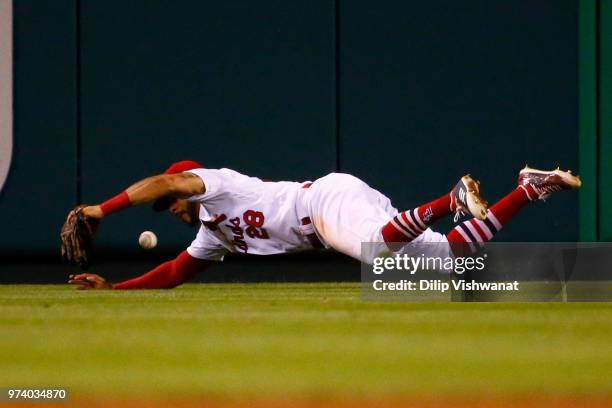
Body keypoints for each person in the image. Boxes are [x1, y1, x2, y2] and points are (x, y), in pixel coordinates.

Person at [67, 161, 581, 289]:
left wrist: (101, 211)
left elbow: (163, 181)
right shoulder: (210, 233)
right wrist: (115, 288)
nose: (172, 211)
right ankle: (530, 187)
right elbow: (176, 272)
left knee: (380, 257)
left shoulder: (215, 182)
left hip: (324, 203)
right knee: (450, 264)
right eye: (167, 210)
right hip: (337, 206)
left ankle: (448, 199)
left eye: (172, 202)